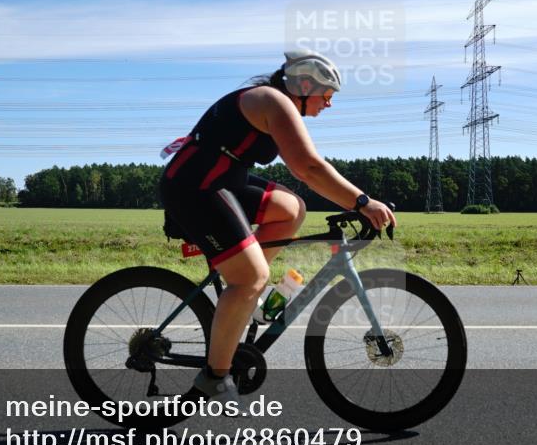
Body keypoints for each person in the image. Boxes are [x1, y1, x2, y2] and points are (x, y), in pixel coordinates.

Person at [160, 50, 397, 402]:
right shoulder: (274, 101)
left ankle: (244, 294)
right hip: (193, 187)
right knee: (250, 277)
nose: (329, 104)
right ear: (303, 86)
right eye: (327, 95)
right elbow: (309, 168)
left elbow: (304, 174)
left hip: (220, 179)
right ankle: (215, 375)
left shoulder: (274, 101)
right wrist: (361, 201)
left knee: (290, 208)